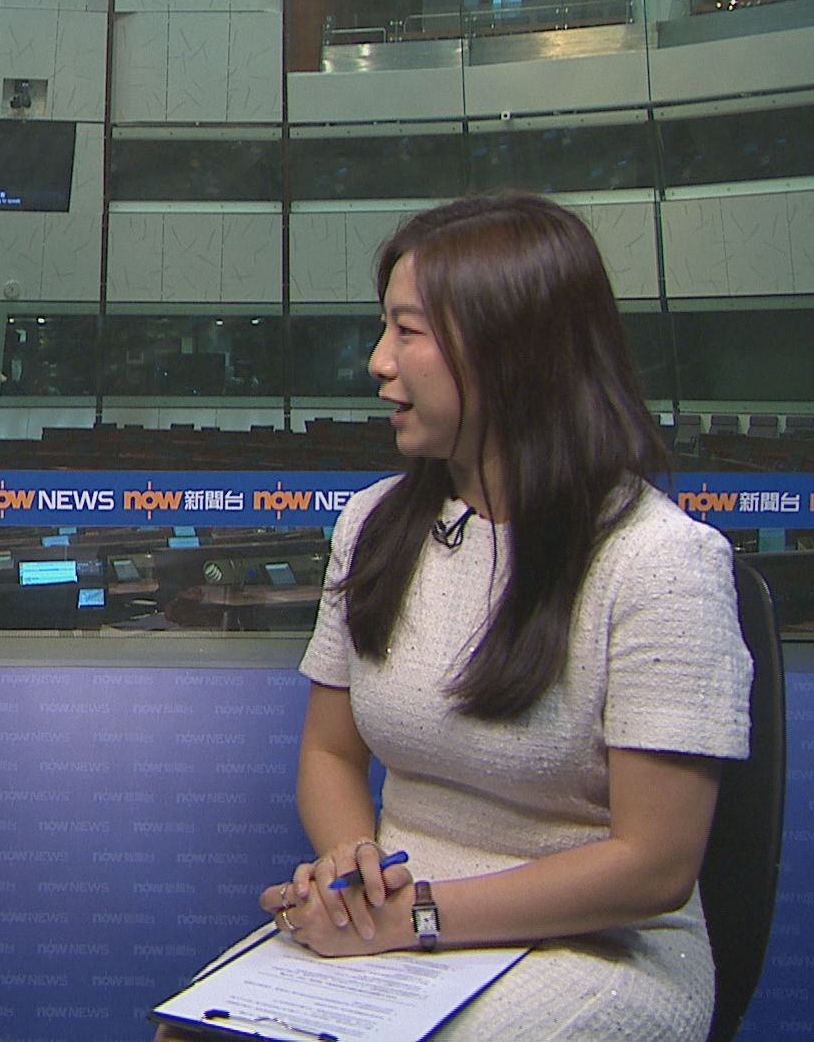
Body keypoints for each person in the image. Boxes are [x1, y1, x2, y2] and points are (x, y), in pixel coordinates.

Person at [254, 195, 752, 1039]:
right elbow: (330, 754)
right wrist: (351, 876)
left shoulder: (663, 561)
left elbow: (654, 868)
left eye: (407, 332)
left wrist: (415, 917)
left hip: (597, 947)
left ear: (510, 348)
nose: (378, 362)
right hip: (398, 924)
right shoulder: (372, 525)